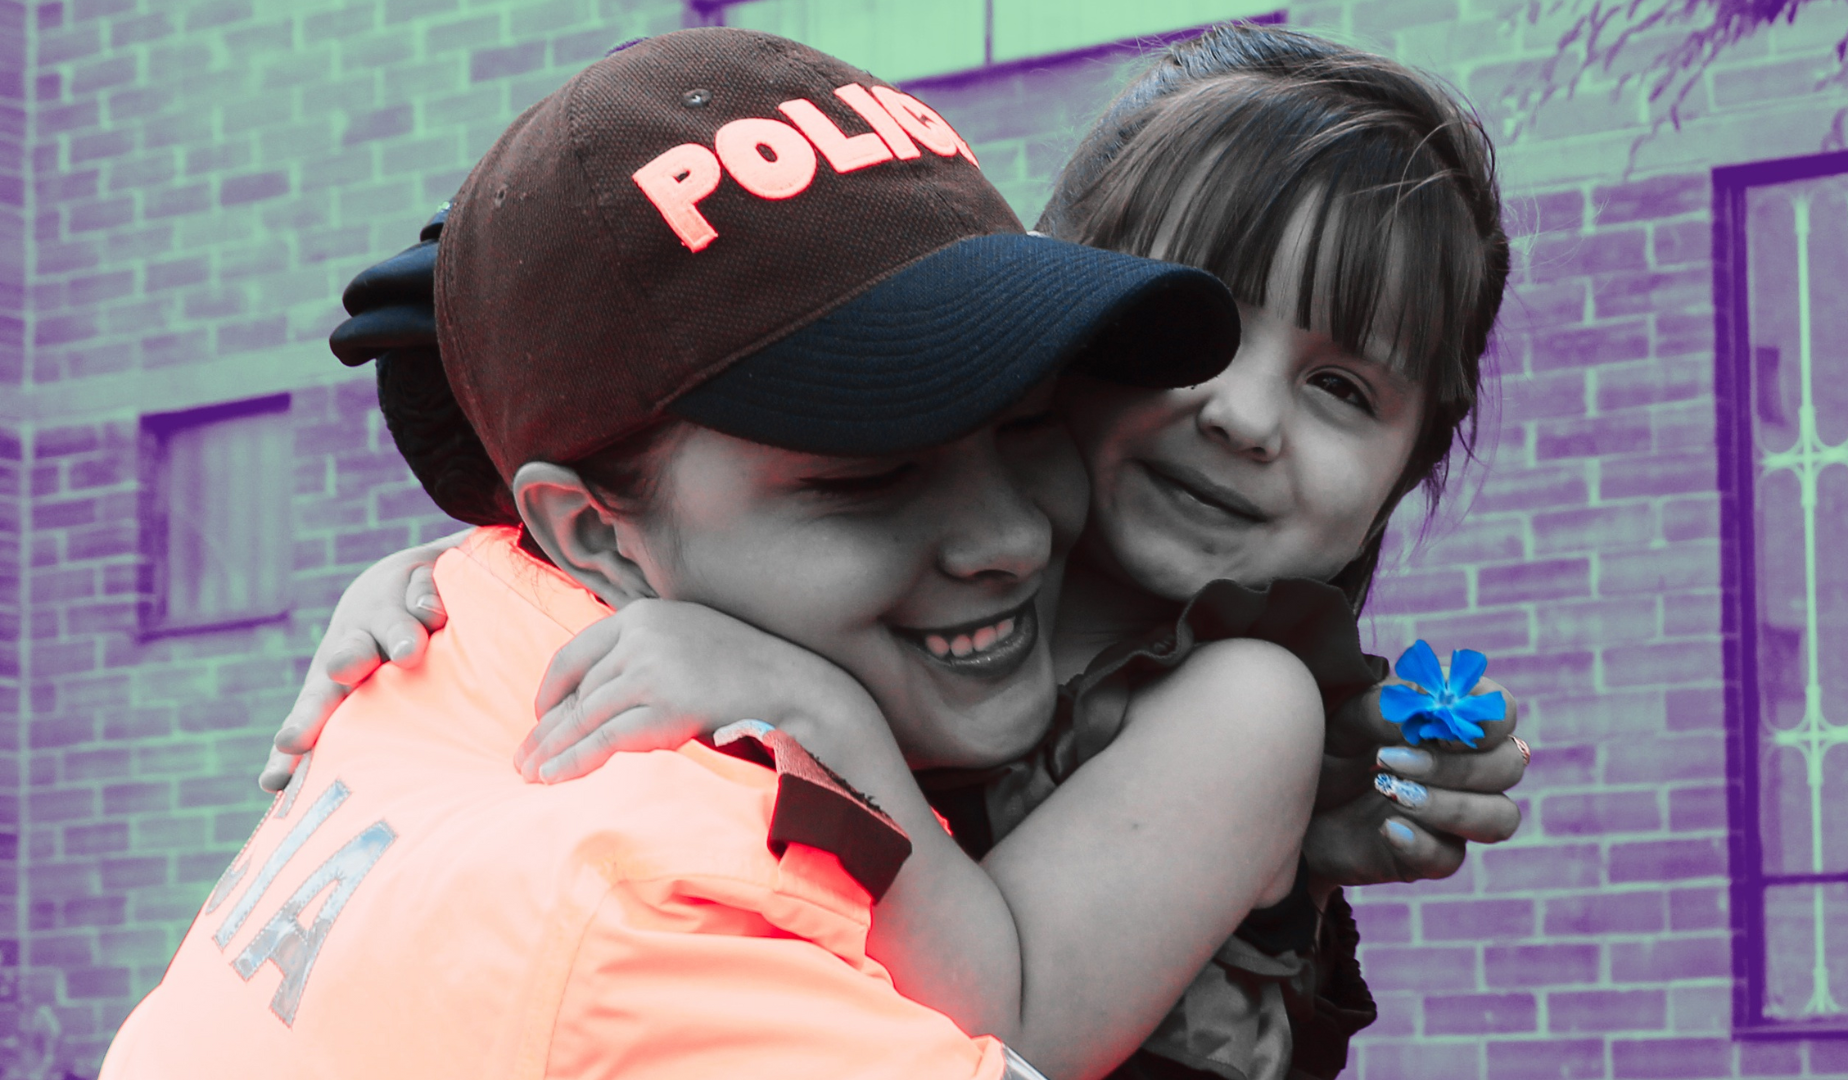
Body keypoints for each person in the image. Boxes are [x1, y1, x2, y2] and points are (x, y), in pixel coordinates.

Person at [264, 25, 1530, 1080]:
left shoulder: (1247, 705)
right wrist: (440, 596)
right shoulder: (929, 591)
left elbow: (1014, 1015)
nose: (1243, 416)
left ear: (1406, 473)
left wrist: (815, 712)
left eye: (1342, 388)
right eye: (1202, 332)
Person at [99, 28, 1268, 1080]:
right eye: (869, 477)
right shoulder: (675, 934)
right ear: (591, 532)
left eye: (1027, 420)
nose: (1012, 538)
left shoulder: (464, 620)